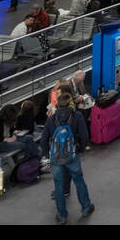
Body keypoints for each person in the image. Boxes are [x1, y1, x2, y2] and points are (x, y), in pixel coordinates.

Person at [41, 95, 95, 224]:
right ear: (70, 104)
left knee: (59, 185)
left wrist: (47, 155)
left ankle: (62, 216)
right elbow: (84, 136)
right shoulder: (77, 116)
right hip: (72, 155)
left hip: (56, 157)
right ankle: (86, 207)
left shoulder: (51, 119)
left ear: (57, 105)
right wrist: (80, 148)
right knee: (78, 180)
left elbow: (44, 140)